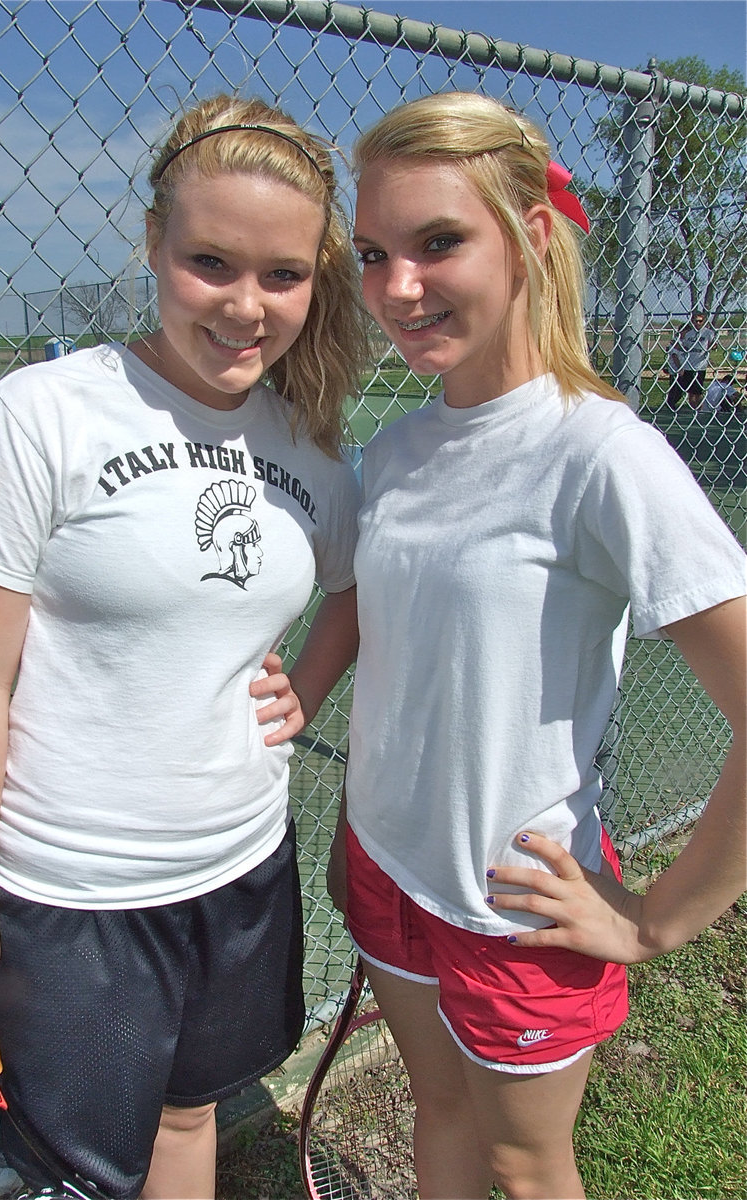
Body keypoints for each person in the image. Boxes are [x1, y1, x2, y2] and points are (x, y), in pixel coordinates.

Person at [0, 94, 368, 1200]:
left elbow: (349, 595)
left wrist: (304, 685)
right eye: (211, 260)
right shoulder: (44, 414)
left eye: (282, 274)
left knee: (186, 1110)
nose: (246, 306)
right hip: (74, 895)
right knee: (73, 1176)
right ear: (153, 245)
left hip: (241, 865)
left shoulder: (308, 442)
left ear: (317, 278)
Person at [328, 91, 746, 1200]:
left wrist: (659, 917)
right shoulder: (402, 449)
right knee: (442, 1111)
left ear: (532, 236)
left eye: (438, 243)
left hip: (518, 903)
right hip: (385, 865)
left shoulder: (603, 452)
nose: (398, 289)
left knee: (523, 1162)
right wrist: (358, 820)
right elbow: (402, 654)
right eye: (373, 253)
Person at [666, 310, 715, 409]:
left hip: (700, 366)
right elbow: (682, 348)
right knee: (690, 392)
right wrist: (676, 346)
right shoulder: (688, 334)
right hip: (688, 366)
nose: (697, 323)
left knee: (698, 391)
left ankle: (699, 410)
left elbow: (712, 346)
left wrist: (711, 348)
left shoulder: (708, 333)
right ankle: (693, 410)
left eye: (700, 321)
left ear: (704, 321)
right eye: (695, 321)